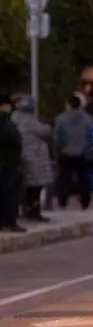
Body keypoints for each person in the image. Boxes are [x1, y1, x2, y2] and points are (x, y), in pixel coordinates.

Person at [11, 95, 52, 222]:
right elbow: (45, 131)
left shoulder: (14, 117)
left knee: (24, 186)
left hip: (20, 155)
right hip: (33, 157)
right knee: (35, 187)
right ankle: (34, 212)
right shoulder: (30, 120)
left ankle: (24, 210)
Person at [54, 94, 93, 209]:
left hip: (65, 152)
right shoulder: (88, 119)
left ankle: (63, 201)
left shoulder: (61, 119)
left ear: (69, 104)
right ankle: (85, 201)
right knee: (83, 178)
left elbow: (57, 136)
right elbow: (90, 135)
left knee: (64, 177)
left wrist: (58, 148)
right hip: (82, 152)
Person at [0, 93, 23, 233]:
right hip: (8, 162)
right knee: (9, 193)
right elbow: (15, 141)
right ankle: (10, 221)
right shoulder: (6, 122)